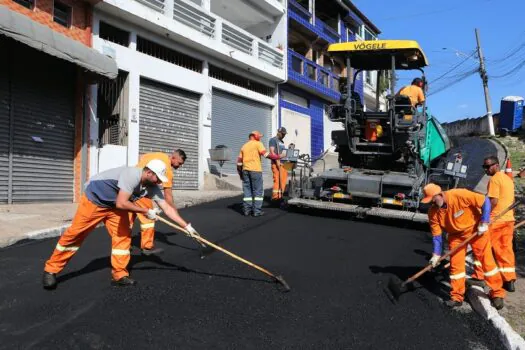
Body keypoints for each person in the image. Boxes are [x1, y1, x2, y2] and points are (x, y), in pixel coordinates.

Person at [42, 159, 199, 289]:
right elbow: (122, 202)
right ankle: (51, 270)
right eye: (157, 177)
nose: (159, 181)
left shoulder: (152, 187)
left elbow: (167, 208)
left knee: (123, 237)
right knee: (75, 235)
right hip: (95, 200)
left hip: (115, 207)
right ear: (148, 172)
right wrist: (146, 211)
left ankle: (119, 274)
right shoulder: (131, 175)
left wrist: (186, 227)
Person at [421, 184, 506, 309]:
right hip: (456, 237)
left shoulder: (459, 195)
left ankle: (497, 293)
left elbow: (485, 201)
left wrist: (484, 221)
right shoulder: (433, 212)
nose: (431, 204)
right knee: (456, 267)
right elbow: (437, 236)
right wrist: (436, 254)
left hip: (476, 231)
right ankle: (457, 297)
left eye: (432, 200)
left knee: (486, 262)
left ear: (439, 195)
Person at [471, 156, 516, 292]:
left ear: (496, 165)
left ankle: (479, 275)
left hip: (495, 220)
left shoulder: (495, 179)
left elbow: (493, 202)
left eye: (488, 166)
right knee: (504, 249)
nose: (485, 169)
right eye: (484, 166)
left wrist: (483, 217)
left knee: (481, 246)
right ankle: (509, 280)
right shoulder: (507, 179)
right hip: (508, 220)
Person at [130, 150, 186, 256]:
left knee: (128, 219)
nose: (179, 166)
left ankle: (125, 244)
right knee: (148, 219)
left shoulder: (159, 155)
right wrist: (176, 215)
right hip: (143, 191)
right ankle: (147, 247)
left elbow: (141, 156)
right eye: (179, 163)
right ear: (173, 158)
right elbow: (168, 196)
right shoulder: (166, 169)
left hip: (132, 185)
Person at [237, 131, 283, 217]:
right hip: (255, 171)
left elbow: (239, 162)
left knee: (247, 191)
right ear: (256, 136)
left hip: (245, 171)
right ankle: (256, 211)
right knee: (258, 191)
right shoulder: (258, 144)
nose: (260, 138)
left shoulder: (244, 146)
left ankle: (247, 210)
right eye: (259, 136)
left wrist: (240, 174)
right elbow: (266, 154)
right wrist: (278, 157)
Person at [269, 127, 288, 205]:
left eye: (284, 134)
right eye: (283, 134)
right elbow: (272, 152)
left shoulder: (282, 141)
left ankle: (280, 196)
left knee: (283, 181)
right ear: (279, 132)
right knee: (277, 180)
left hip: (284, 163)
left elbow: (283, 152)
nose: (284, 135)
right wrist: (277, 162)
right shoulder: (273, 140)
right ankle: (275, 198)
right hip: (277, 163)